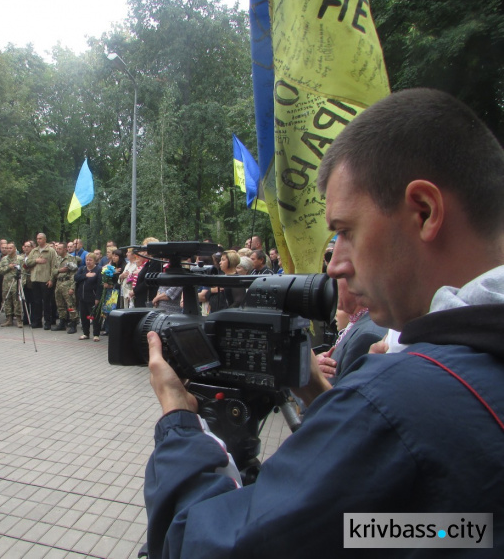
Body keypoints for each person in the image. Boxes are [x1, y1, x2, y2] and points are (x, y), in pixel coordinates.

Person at [143, 89, 504, 556]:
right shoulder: (476, 366)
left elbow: (202, 544)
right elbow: (443, 529)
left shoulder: (401, 401)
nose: (335, 266)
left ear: (424, 211)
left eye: (346, 232)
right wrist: (321, 394)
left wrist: (177, 422)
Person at [26, 233, 57, 329]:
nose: (38, 240)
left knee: (46, 302)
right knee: (36, 302)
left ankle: (47, 322)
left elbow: (54, 266)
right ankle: (37, 321)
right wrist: (36, 260)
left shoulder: (51, 251)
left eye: (40, 239)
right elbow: (27, 262)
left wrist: (51, 279)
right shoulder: (34, 251)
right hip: (35, 279)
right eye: (37, 239)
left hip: (45, 279)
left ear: (45, 239)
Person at [52, 242, 80, 333]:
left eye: (60, 249)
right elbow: (53, 271)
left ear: (65, 249)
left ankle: (73, 323)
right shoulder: (56, 258)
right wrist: (59, 270)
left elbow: (74, 274)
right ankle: (62, 322)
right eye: (57, 248)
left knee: (70, 304)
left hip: (67, 282)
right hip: (58, 283)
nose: (57, 250)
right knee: (60, 304)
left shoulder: (71, 259)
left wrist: (72, 287)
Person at [74, 253, 102, 341]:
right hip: (82, 297)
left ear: (94, 261)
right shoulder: (82, 269)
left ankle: (96, 334)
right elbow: (76, 277)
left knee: (94, 316)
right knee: (83, 316)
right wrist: (86, 275)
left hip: (92, 297)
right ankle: (86, 333)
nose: (88, 262)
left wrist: (97, 298)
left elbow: (99, 285)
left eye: (90, 260)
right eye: (87, 260)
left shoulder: (98, 270)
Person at [0, 243, 24, 328]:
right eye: (7, 248)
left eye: (10, 248)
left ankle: (19, 319)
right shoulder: (4, 259)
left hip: (16, 283)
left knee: (17, 301)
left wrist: (22, 282)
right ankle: (8, 319)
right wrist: (8, 267)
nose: (9, 250)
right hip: (6, 283)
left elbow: (24, 271)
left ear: (15, 249)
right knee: (6, 301)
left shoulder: (20, 259)